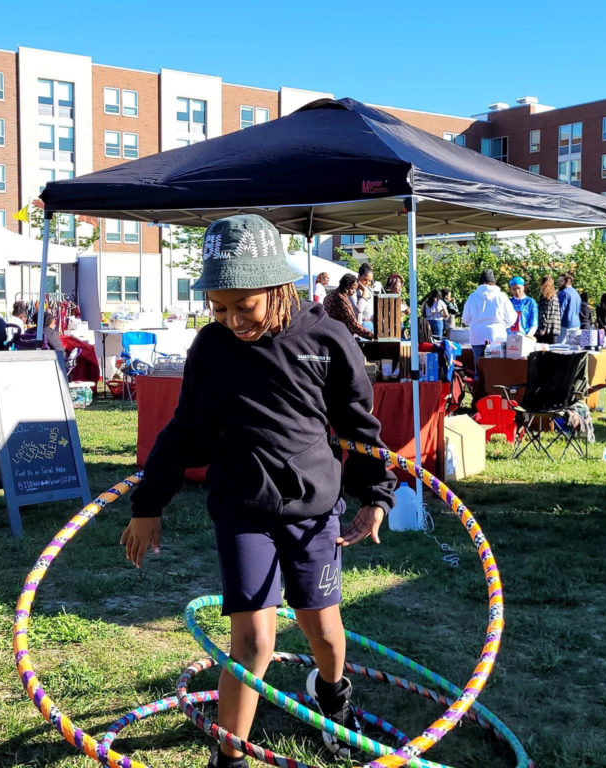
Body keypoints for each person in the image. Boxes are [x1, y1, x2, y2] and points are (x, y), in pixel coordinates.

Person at [122, 214, 395, 768]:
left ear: (277, 287)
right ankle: (230, 756)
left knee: (324, 633)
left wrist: (376, 495)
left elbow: (359, 426)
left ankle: (333, 699)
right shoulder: (212, 348)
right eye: (218, 308)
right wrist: (148, 506)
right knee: (252, 642)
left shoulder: (326, 338)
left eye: (242, 306)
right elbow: (185, 431)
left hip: (313, 511)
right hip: (242, 509)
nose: (230, 319)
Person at [461, 269, 517, 370]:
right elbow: (512, 318)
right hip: (497, 336)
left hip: (477, 336)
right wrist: (504, 325)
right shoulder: (501, 297)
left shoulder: (472, 297)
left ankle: (479, 383)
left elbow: (465, 319)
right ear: (494, 283)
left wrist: (476, 323)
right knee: (497, 369)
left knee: (479, 368)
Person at [323, 274, 373, 340]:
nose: (354, 291)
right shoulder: (342, 300)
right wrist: (372, 336)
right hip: (339, 337)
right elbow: (353, 325)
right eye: (353, 288)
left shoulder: (329, 296)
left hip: (329, 334)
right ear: (347, 286)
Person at [536, 276, 561, 344]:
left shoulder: (546, 296)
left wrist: (543, 328)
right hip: (554, 328)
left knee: (541, 352)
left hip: (547, 330)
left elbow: (546, 313)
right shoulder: (555, 295)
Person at [557, 272, 581, 342]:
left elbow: (560, 310)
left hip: (565, 324)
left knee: (560, 348)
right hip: (576, 323)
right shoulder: (576, 293)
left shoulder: (564, 293)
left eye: (561, 281)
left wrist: (557, 323)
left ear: (566, 281)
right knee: (573, 348)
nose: (559, 283)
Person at [351, 263, 375, 332]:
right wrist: (364, 292)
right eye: (365, 280)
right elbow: (358, 310)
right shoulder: (353, 291)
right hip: (362, 325)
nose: (367, 283)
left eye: (370, 280)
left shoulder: (370, 290)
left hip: (372, 325)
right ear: (359, 277)